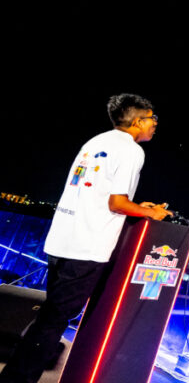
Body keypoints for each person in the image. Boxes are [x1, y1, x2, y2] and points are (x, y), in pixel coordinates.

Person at [0, 93, 172, 383]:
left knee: (49, 317)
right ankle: (18, 378)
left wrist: (137, 207)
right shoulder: (132, 151)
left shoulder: (97, 141)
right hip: (87, 247)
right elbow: (116, 203)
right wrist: (151, 214)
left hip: (61, 241)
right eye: (153, 118)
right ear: (138, 121)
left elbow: (100, 193)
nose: (155, 124)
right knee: (52, 323)